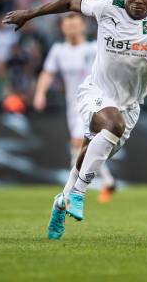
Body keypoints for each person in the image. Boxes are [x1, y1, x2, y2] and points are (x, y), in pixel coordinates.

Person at [3, 0, 147, 240]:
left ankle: (61, 201)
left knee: (86, 156)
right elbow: (68, 2)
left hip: (130, 106)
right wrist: (31, 14)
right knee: (112, 124)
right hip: (94, 92)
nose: (138, 0)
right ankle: (78, 194)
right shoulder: (106, 7)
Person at [33, 13, 116, 203]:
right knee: (86, 144)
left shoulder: (94, 48)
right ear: (62, 28)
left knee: (79, 142)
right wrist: (40, 94)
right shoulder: (58, 50)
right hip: (73, 105)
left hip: (94, 101)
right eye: (68, 25)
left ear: (82, 27)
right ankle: (108, 182)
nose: (71, 28)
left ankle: (72, 191)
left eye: (75, 24)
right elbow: (47, 73)